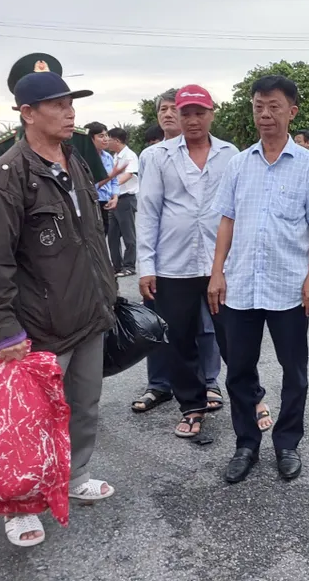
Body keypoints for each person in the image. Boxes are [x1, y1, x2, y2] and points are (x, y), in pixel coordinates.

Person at [0, 70, 118, 548]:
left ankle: (74, 475)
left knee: (84, 405)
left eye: (71, 103)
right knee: (29, 421)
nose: (69, 113)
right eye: (58, 105)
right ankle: (22, 505)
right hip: (38, 327)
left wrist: (106, 295)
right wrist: (4, 330)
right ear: (28, 113)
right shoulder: (7, 178)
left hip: (88, 313)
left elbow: (91, 238)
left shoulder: (75, 162)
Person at [208, 74, 309, 483]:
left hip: (288, 285)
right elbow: (227, 220)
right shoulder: (239, 164)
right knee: (239, 371)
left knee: (294, 370)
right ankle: (246, 443)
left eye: (274, 106)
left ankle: (287, 444)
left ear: (291, 111)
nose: (265, 114)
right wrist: (217, 272)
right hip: (241, 285)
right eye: (258, 106)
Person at [132, 92, 274, 430]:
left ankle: (252, 397)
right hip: (172, 264)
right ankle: (192, 406)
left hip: (220, 264)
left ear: (212, 114)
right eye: (186, 113)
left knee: (234, 337)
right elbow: (148, 212)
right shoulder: (157, 156)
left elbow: (240, 208)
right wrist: (146, 266)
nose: (193, 120)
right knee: (178, 341)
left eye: (200, 113)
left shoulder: (230, 154)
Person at [106, 127, 140, 277]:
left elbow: (128, 175)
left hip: (126, 199)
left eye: (109, 139)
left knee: (128, 235)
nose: (107, 142)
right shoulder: (114, 156)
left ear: (117, 140)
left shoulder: (129, 156)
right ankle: (116, 266)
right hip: (114, 199)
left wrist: (112, 185)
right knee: (112, 236)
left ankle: (129, 266)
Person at [86, 122, 125, 234]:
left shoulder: (108, 157)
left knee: (104, 234)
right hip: (91, 203)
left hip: (106, 202)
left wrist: (115, 196)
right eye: (101, 136)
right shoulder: (84, 159)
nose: (106, 139)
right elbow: (89, 187)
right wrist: (110, 176)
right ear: (91, 139)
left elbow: (114, 181)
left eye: (106, 135)